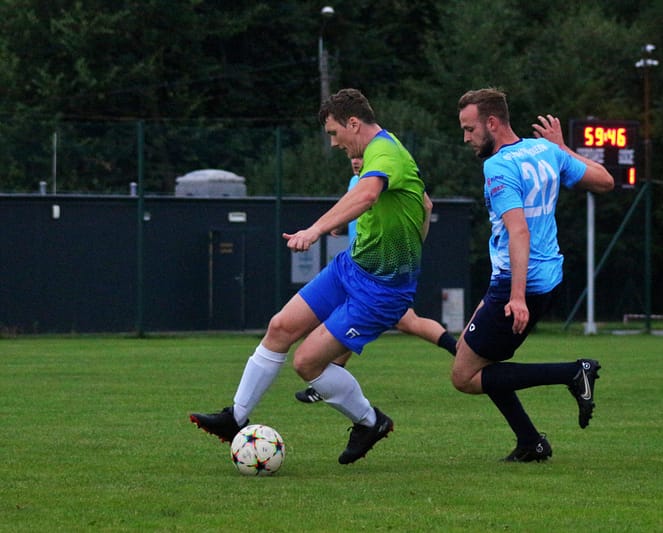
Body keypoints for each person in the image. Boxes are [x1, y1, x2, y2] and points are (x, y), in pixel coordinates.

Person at [191, 88, 427, 465]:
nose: (333, 143)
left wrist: (317, 229)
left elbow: (367, 195)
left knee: (307, 363)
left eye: (334, 133)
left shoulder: (385, 151)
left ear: (353, 123)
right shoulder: (382, 152)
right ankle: (235, 418)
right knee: (280, 327)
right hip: (351, 268)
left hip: (381, 290)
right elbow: (424, 203)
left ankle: (371, 422)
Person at [454, 88, 614, 463]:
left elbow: (519, 232)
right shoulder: (545, 151)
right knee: (469, 351)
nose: (466, 138)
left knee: (464, 377)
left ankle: (574, 373)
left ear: (492, 123)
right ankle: (530, 443)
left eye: (470, 129)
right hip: (545, 277)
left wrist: (516, 296)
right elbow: (605, 181)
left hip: (518, 282)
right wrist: (563, 147)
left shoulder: (497, 167)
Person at [295, 157, 458, 404]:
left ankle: (459, 350)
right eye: (351, 156)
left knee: (406, 321)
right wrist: (339, 224)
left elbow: (426, 204)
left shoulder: (385, 178)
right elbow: (356, 208)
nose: (355, 161)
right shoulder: (357, 181)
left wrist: (415, 242)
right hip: (356, 270)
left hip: (381, 274)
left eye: (360, 156)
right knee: (350, 322)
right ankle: (327, 381)